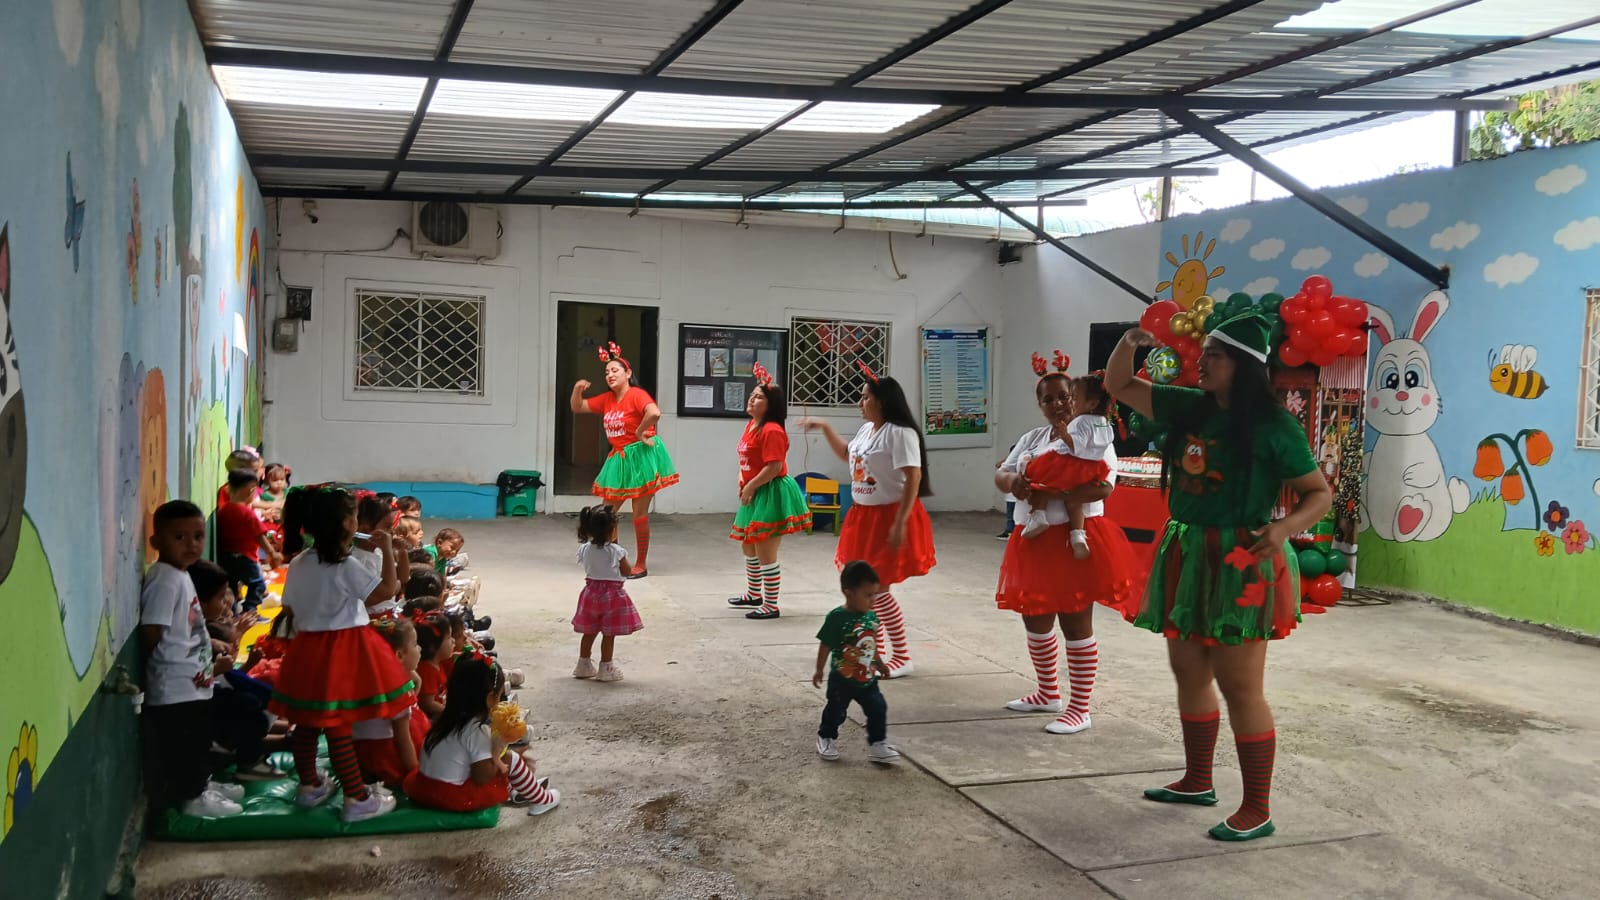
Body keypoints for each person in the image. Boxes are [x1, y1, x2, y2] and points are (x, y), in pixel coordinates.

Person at [1105, 311, 1331, 843]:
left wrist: (1283, 529)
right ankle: (1197, 781)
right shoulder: (1189, 405)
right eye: (1204, 352)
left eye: (1215, 354)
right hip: (1187, 551)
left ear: (1244, 366)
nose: (1202, 361)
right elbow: (1119, 385)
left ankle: (1257, 807)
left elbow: (1319, 493)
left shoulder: (1274, 426)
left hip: (1243, 558)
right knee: (1188, 671)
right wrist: (1129, 343)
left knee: (1239, 685)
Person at [994, 369, 1142, 735]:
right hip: (1032, 539)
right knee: (1035, 617)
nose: (1058, 404)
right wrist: (1015, 482)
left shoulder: (1092, 436)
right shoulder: (1032, 438)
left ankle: (1080, 708)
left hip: (1075, 540)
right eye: (1049, 399)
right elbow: (1003, 474)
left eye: (1064, 396)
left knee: (1075, 621)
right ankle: (1047, 693)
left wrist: (1055, 490)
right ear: (1040, 405)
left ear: (1079, 400)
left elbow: (1104, 486)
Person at [268, 486, 410, 824]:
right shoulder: (345, 565)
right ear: (347, 523)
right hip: (344, 650)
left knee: (307, 721)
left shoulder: (300, 562)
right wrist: (387, 548)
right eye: (354, 516)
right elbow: (385, 592)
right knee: (339, 726)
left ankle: (309, 785)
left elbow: (291, 606)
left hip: (307, 648)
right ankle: (357, 798)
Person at [799, 370, 934, 677]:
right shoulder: (866, 430)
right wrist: (825, 427)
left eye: (865, 397)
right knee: (866, 590)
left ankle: (902, 656)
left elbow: (913, 476)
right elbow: (847, 453)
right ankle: (876, 652)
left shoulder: (900, 433)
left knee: (878, 591)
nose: (859, 403)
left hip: (889, 516)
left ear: (882, 401)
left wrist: (900, 522)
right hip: (863, 518)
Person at [140, 500, 244, 818]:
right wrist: (171, 663)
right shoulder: (164, 579)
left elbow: (183, 625)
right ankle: (192, 796)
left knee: (198, 739)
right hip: (175, 686)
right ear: (156, 541)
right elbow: (153, 631)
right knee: (185, 744)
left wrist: (208, 642)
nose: (191, 544)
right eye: (179, 537)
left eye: (198, 536)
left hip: (193, 682)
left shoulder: (181, 574)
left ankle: (202, 784)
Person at [569, 340, 679, 578]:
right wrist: (578, 389)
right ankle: (617, 559)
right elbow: (578, 406)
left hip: (641, 456)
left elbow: (654, 413)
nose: (610, 375)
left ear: (628, 373)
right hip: (619, 458)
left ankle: (641, 564)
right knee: (607, 512)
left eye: (614, 370)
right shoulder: (607, 399)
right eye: (606, 372)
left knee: (639, 513)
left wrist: (640, 431)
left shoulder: (636, 394)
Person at [403, 652, 560, 816]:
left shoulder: (443, 721)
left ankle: (520, 787)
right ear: (490, 698)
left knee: (497, 761)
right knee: (511, 759)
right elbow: (482, 777)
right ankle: (542, 799)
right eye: (499, 696)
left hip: (424, 789)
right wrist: (501, 753)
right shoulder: (476, 730)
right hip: (452, 797)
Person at [726, 364, 811, 620]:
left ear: (772, 405)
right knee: (748, 546)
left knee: (765, 549)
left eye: (759, 397)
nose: (752, 399)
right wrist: (743, 479)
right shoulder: (752, 424)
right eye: (752, 395)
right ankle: (754, 594)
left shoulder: (772, 430)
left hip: (770, 491)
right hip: (754, 491)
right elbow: (746, 459)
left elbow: (774, 467)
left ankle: (771, 605)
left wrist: (751, 485)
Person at [1016, 358, 1117, 559]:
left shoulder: (1080, 423)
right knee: (1072, 501)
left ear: (1091, 403)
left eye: (1071, 398)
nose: (1066, 403)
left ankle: (1038, 514)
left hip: (1072, 466)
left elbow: (1075, 446)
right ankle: (1077, 534)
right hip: (1091, 469)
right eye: (1048, 400)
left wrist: (1064, 436)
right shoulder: (1103, 423)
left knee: (1042, 483)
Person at [192, 560, 283, 781]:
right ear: (200, 602)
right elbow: (202, 672)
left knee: (264, 698)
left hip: (214, 684)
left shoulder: (200, 626)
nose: (226, 608)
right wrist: (235, 639)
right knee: (251, 705)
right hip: (201, 697)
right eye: (221, 600)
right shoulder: (204, 627)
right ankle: (249, 760)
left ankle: (260, 748)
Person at [813, 561, 899, 765]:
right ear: (849, 593)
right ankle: (826, 737)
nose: (873, 600)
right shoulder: (836, 617)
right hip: (841, 679)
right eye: (868, 595)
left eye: (875, 594)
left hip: (867, 678)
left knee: (878, 708)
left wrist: (880, 663)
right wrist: (819, 669)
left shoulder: (871, 617)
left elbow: (871, 644)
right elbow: (826, 644)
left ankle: (878, 743)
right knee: (836, 711)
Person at [354, 618, 428, 789]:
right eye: (415, 644)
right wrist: (416, 775)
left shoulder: (366, 677)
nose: (419, 649)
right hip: (385, 758)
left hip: (362, 753)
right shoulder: (396, 691)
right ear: (399, 655)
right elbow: (403, 741)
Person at [572, 505, 641, 683]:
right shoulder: (616, 551)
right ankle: (606, 668)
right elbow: (627, 571)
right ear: (612, 530)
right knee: (608, 634)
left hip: (590, 593)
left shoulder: (585, 549)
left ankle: (583, 665)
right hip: (612, 596)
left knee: (589, 632)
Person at [216, 469, 282, 614]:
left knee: (232, 586)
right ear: (252, 490)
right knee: (258, 584)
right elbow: (259, 535)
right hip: (245, 558)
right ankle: (250, 612)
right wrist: (272, 553)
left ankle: (232, 613)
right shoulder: (247, 513)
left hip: (224, 557)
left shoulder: (223, 510)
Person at [412, 612, 455, 720]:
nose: (453, 641)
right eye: (449, 637)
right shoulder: (427, 671)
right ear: (433, 647)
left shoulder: (438, 663)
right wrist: (449, 711)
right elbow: (428, 704)